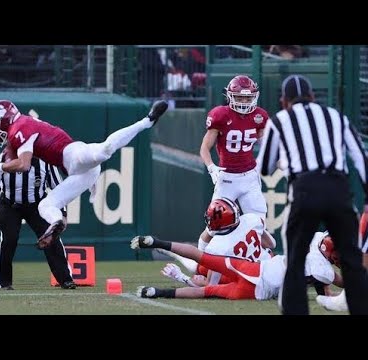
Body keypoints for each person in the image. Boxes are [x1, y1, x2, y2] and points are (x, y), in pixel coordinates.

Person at [0, 99, 168, 248]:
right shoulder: (22, 124)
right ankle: (56, 224)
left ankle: (147, 121)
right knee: (45, 206)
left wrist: (0, 167)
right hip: (77, 171)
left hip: (74, 156)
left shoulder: (18, 129)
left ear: (3, 121)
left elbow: (23, 164)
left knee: (104, 150)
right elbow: (9, 148)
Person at [255, 74, 368, 315]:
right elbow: (361, 158)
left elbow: (265, 166)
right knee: (352, 261)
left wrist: (289, 160)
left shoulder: (280, 120)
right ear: (313, 97)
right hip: (338, 189)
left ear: (284, 101)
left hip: (304, 189)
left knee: (295, 262)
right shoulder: (336, 117)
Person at [132, 230, 343, 301]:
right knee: (207, 291)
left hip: (253, 268)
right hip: (257, 288)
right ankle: (156, 292)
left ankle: (158, 242)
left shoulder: (316, 240)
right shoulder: (323, 269)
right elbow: (338, 281)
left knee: (201, 258)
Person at [199, 75, 276, 254]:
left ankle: (260, 261)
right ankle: (201, 259)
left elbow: (269, 149)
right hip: (226, 178)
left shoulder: (260, 116)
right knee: (214, 226)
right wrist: (212, 168)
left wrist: (286, 167)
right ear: (230, 96)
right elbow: (204, 148)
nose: (243, 101)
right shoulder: (220, 115)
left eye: (247, 98)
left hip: (250, 177)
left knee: (259, 227)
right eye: (240, 97)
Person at [0, 146, 76, 290]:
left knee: (51, 236)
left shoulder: (45, 161)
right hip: (10, 205)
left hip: (38, 205)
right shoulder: (4, 158)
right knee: (9, 239)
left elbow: (59, 188)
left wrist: (62, 214)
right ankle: (3, 282)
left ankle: (65, 279)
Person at [154, 198, 273, 285]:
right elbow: (271, 244)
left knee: (200, 269)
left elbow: (211, 287)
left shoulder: (217, 246)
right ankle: (172, 252)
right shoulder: (253, 219)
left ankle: (173, 254)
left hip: (247, 279)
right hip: (268, 268)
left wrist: (181, 277)